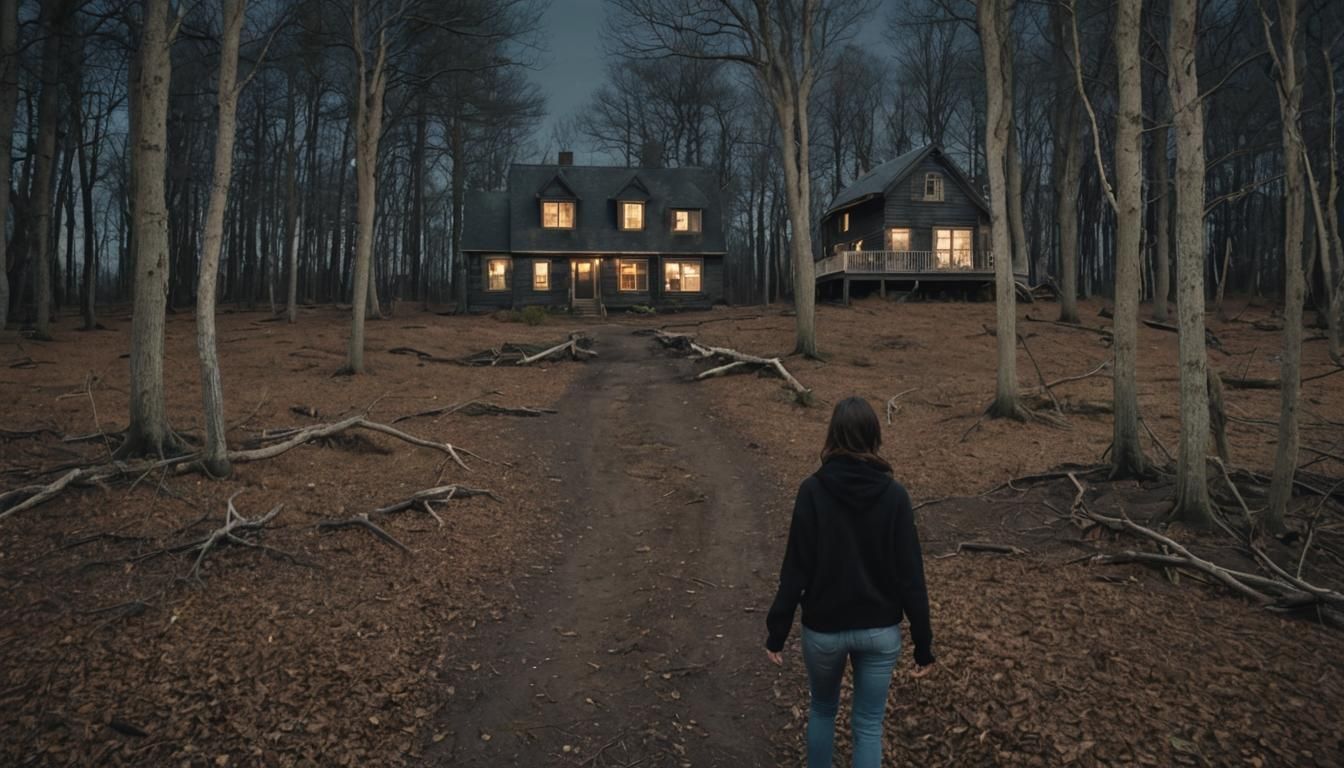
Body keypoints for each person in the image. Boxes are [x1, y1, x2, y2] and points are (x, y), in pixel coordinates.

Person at [765, 396, 935, 768]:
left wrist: (777, 629)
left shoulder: (812, 490)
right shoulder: (895, 496)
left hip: (824, 630)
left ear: (833, 435)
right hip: (879, 631)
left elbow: (795, 568)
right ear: (874, 436)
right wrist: (923, 644)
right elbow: (911, 577)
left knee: (823, 709)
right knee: (869, 724)